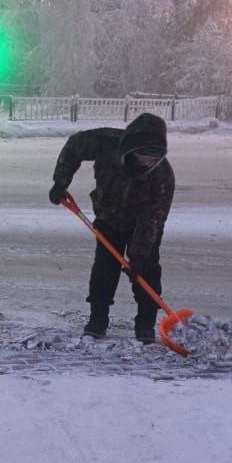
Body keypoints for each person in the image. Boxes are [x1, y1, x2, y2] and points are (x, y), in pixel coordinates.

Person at [49, 112, 175, 343]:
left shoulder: (163, 176)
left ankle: (145, 324)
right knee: (104, 269)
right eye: (143, 156)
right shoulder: (106, 143)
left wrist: (138, 256)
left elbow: (153, 219)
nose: (148, 162)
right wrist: (61, 181)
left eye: (154, 158)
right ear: (131, 148)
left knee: (146, 271)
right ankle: (98, 320)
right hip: (108, 217)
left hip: (142, 225)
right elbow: (75, 146)